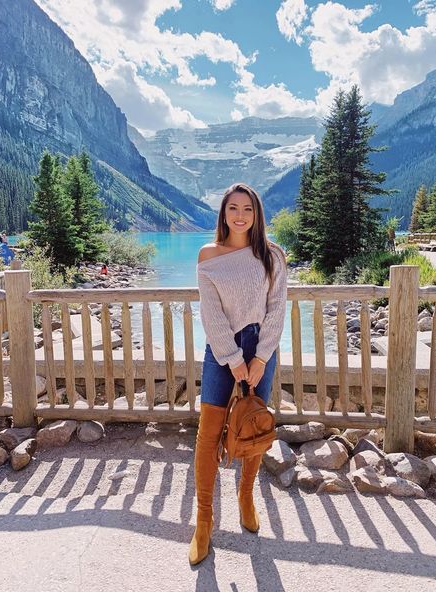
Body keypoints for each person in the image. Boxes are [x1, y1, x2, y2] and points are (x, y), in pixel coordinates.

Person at [189, 182, 288, 565]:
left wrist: (261, 358)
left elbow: (277, 308)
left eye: (248, 208)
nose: (241, 215)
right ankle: (203, 520)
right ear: (224, 213)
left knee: (255, 424)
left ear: (257, 213)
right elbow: (210, 313)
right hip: (221, 350)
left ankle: (246, 494)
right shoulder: (208, 255)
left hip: (262, 348)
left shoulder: (272, 255)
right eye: (234, 208)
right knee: (208, 432)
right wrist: (233, 359)